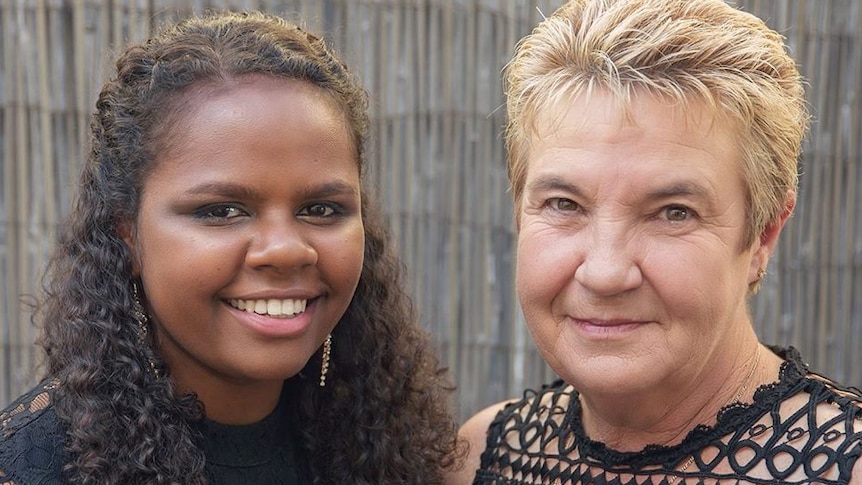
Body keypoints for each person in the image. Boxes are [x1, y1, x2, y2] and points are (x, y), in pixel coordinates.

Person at [0, 11, 462, 484]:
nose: (285, 251)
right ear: (127, 235)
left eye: (321, 209)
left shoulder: (393, 455)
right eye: (222, 210)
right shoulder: (30, 468)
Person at [445, 0, 862, 483]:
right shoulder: (480, 457)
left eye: (673, 213)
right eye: (564, 204)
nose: (604, 273)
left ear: (764, 233)